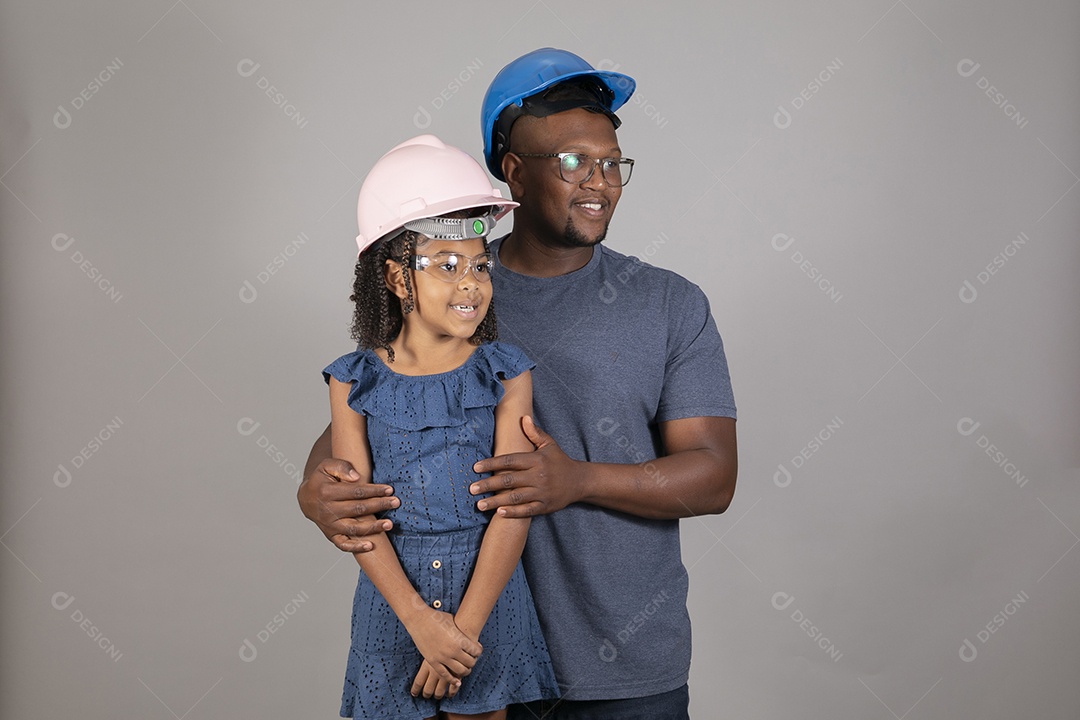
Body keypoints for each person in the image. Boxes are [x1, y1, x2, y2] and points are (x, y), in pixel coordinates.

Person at [300, 49, 738, 719]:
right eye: (571, 162)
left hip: (625, 671)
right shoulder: (455, 290)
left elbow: (713, 476)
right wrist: (316, 492)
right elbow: (358, 423)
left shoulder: (669, 304)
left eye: (611, 162)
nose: (600, 182)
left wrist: (579, 480)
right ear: (513, 173)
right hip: (472, 664)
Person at [321, 134, 559, 720]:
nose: (471, 283)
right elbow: (358, 516)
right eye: (447, 266)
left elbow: (513, 507)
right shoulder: (352, 381)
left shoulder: (506, 373)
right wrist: (422, 624)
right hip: (392, 607)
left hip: (489, 602)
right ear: (398, 279)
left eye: (480, 265)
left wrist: (462, 634)